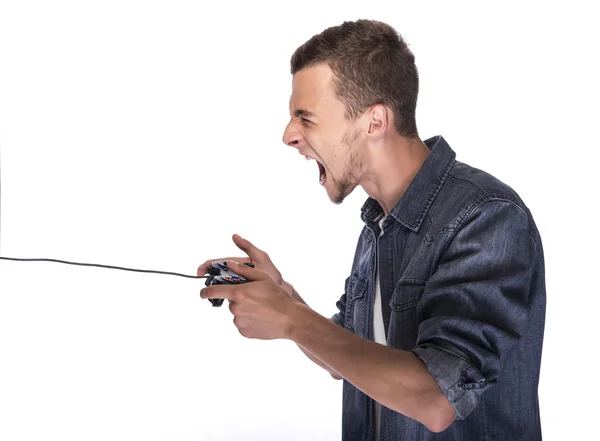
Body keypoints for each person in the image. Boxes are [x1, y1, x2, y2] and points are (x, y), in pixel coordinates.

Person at [198, 19, 546, 441]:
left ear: (374, 121)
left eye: (305, 118)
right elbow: (345, 354)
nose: (289, 135)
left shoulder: (486, 216)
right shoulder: (379, 226)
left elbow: (436, 399)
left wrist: (290, 319)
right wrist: (284, 295)